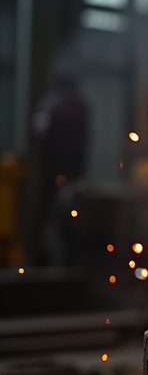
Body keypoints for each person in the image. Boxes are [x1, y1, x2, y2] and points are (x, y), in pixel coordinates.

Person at [28, 74, 90, 265]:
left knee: (47, 212)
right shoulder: (81, 105)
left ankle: (40, 257)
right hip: (74, 170)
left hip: (51, 169)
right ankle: (72, 256)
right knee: (72, 211)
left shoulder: (49, 104)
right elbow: (86, 138)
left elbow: (39, 132)